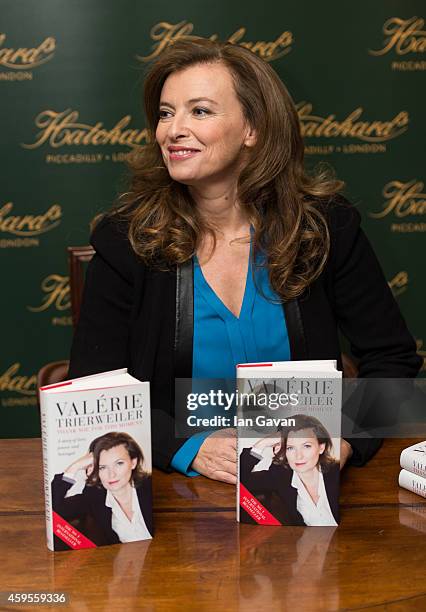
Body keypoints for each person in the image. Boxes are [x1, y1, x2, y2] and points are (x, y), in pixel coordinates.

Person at [68, 38, 422, 484]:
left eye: (199, 111)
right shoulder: (126, 239)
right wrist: (189, 448)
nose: (172, 130)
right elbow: (95, 394)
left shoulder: (325, 227)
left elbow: (392, 362)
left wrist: (344, 439)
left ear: (252, 128)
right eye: (165, 112)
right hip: (178, 499)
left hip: (303, 490)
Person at [51, 432, 153, 546]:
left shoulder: (149, 486)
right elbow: (55, 508)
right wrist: (74, 467)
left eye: (119, 463)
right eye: (103, 467)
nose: (111, 474)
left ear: (133, 462)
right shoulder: (94, 497)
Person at [240, 415, 339, 526]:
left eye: (306, 446)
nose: (299, 456)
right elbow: (240, 480)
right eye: (290, 448)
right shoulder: (281, 477)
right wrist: (260, 445)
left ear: (321, 447)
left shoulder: (336, 472)